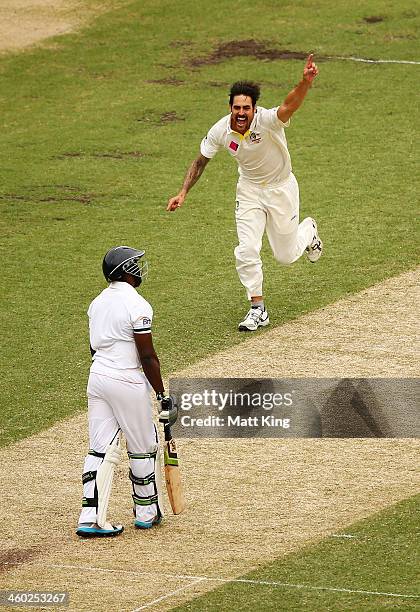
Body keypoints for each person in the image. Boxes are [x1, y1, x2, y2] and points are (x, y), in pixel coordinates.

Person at [167, 53, 323, 331]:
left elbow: (290, 105)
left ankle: (309, 231)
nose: (241, 113)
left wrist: (305, 82)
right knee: (247, 248)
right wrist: (183, 192)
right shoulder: (220, 130)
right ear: (230, 108)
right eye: (236, 108)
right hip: (249, 191)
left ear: (254, 109)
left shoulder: (268, 121)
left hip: (280, 189)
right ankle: (257, 308)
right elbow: (201, 160)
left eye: (246, 108)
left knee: (285, 256)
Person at [76, 246, 177, 538]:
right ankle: (147, 512)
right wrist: (160, 394)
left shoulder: (97, 303)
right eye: (134, 264)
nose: (139, 268)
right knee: (143, 445)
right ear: (124, 271)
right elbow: (147, 356)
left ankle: (91, 517)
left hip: (97, 378)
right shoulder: (138, 305)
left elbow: (93, 348)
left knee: (99, 447)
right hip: (127, 381)